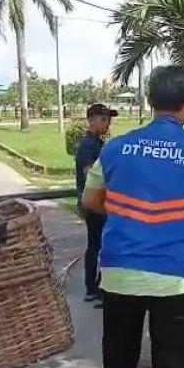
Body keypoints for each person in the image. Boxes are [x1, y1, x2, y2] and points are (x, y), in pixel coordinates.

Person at [81, 65, 184, 368]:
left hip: (120, 272)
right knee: (176, 362)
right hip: (178, 278)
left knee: (119, 360)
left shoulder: (115, 148)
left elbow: (89, 200)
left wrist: (127, 211)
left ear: (151, 102)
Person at [75, 103, 117, 304]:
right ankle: (94, 288)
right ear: (92, 121)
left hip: (99, 201)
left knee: (100, 244)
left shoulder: (97, 143)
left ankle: (97, 286)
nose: (108, 123)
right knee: (98, 245)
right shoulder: (88, 145)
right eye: (104, 119)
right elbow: (89, 172)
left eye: (109, 119)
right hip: (95, 203)